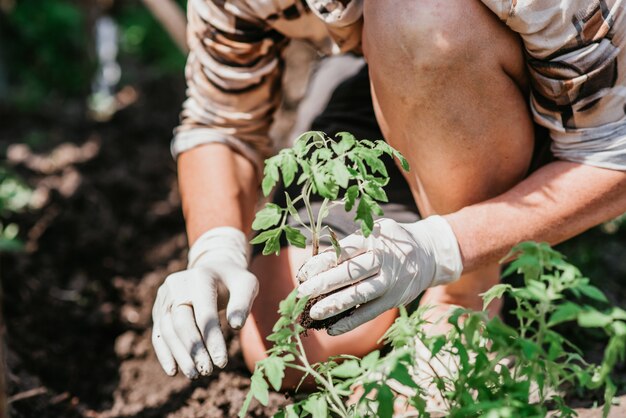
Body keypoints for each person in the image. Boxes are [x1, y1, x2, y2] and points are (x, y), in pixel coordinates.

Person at [151, 0, 626, 387]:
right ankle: (353, 81)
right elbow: (221, 120)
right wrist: (215, 251)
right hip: (391, 69)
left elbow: (613, 156)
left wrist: (441, 249)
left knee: (420, 15)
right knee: (295, 340)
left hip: (540, 93)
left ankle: (464, 305)